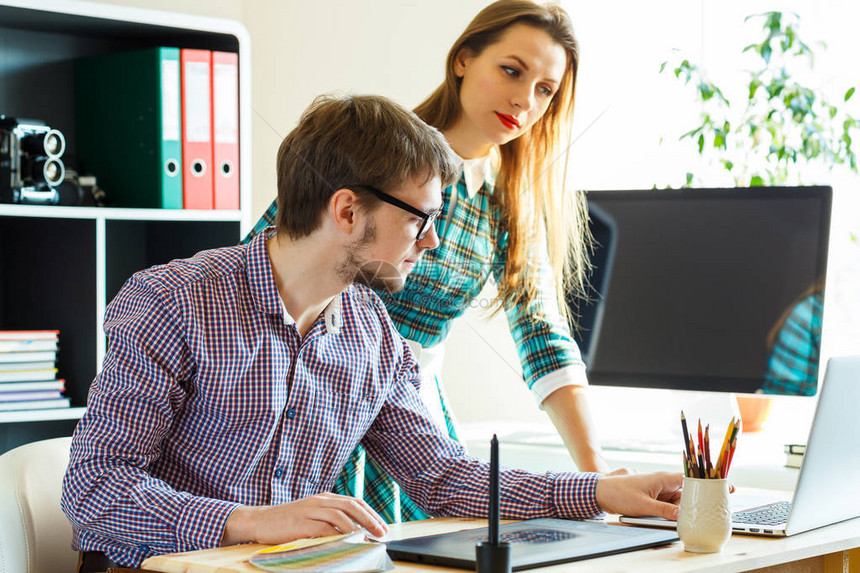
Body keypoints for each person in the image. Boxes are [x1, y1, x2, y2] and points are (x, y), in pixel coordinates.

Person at [61, 94, 682, 570]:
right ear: (348, 210)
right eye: (422, 220)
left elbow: (442, 478)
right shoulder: (174, 302)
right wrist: (250, 522)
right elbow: (94, 488)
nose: (434, 241)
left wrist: (604, 490)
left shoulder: (374, 336)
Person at [244, 0, 616, 523]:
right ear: (463, 59)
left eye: (544, 90)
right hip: (313, 398)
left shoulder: (507, 199)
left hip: (411, 414)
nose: (523, 100)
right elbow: (258, 266)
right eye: (511, 71)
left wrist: (597, 471)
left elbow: (541, 332)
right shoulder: (376, 150)